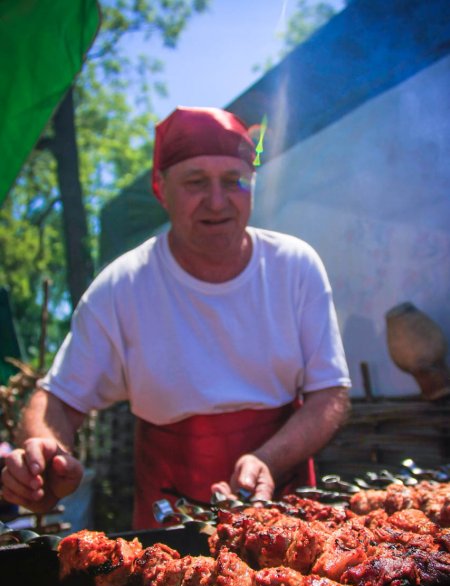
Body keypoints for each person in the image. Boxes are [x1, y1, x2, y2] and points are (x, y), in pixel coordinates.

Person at [0, 106, 351, 528]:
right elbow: (56, 399)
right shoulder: (124, 286)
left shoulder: (294, 266)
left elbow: (330, 394)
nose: (217, 202)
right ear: (161, 189)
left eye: (234, 181)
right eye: (196, 182)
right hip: (170, 520)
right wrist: (44, 453)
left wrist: (268, 460)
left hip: (283, 511)